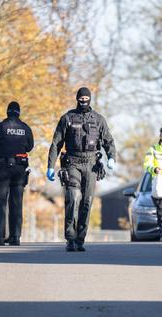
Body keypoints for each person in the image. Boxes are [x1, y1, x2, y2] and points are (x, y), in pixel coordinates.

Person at [47, 87, 116, 252]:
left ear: (90, 99)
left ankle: (80, 239)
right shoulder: (68, 118)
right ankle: (70, 238)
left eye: (86, 98)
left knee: (87, 201)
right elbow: (56, 143)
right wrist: (50, 165)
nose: (83, 101)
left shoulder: (98, 120)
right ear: (77, 98)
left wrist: (111, 157)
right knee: (72, 198)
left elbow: (108, 140)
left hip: (91, 164)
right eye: (81, 98)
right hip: (73, 162)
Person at [0, 101, 34, 246]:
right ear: (19, 113)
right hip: (19, 170)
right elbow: (30, 146)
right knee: (16, 204)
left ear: (7, 112)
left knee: (1, 204)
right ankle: (15, 237)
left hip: (2, 169)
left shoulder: (0, 127)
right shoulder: (25, 128)